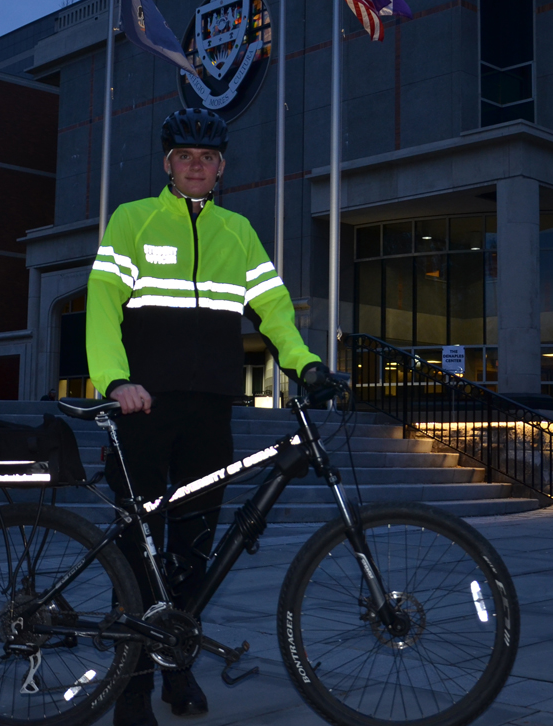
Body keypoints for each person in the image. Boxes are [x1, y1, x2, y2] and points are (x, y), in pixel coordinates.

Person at [86, 107, 330, 726]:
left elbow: (273, 309)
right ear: (168, 164)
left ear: (221, 168)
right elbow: (102, 306)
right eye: (185, 157)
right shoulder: (132, 220)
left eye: (208, 158)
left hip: (209, 411)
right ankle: (132, 688)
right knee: (139, 550)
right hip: (141, 407)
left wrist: (307, 365)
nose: (197, 166)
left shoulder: (238, 231)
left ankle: (177, 666)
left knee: (195, 549)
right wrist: (116, 380)